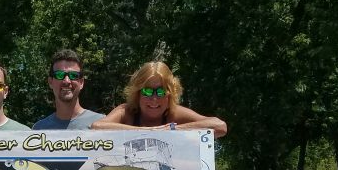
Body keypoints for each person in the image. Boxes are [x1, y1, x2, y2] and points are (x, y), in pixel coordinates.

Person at [90, 61, 227, 137]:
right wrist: (148, 132)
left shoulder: (174, 114)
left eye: (161, 91)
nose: (154, 98)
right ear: (137, 94)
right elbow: (97, 127)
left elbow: (220, 126)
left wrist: (173, 130)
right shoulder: (125, 111)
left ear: (170, 94)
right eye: (147, 91)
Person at [32, 49, 104, 130]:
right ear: (50, 82)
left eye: (73, 75)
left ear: (81, 83)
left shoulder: (102, 124)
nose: (66, 81)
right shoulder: (38, 130)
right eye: (59, 75)